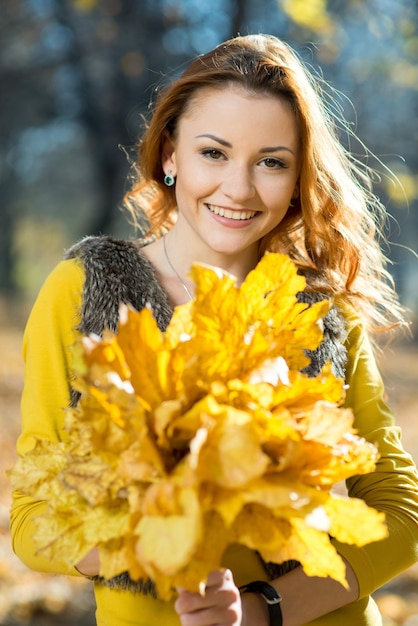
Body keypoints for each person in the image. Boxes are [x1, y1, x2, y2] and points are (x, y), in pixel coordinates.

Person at [9, 33, 418, 626]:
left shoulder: (321, 308)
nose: (239, 188)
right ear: (170, 155)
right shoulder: (83, 289)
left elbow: (400, 514)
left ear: (299, 175)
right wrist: (159, 551)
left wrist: (263, 611)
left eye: (271, 162)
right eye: (214, 153)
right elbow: (30, 520)